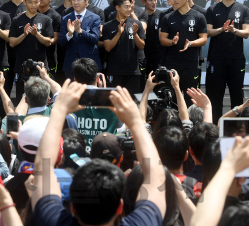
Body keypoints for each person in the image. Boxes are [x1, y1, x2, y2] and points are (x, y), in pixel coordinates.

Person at [31, 82, 166, 226]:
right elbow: (156, 174)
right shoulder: (141, 223)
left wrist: (58, 111)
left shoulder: (52, 220)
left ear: (72, 207)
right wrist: (135, 122)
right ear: (120, 207)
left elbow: (42, 167)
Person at [205, 0, 249, 124]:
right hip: (216, 60)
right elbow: (208, 32)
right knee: (214, 97)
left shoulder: (243, 9)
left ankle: (236, 128)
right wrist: (221, 29)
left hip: (236, 60)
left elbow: (246, 33)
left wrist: (233, 30)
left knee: (237, 97)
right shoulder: (212, 9)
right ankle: (214, 128)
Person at [159, 0, 208, 105]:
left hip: (191, 65)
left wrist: (191, 43)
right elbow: (162, 39)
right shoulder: (167, 17)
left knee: (190, 99)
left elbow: (203, 39)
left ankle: (190, 123)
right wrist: (172, 41)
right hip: (172, 64)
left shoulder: (199, 17)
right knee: (171, 99)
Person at [9, 0, 54, 104]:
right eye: (30, 2)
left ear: (39, 2)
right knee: (22, 101)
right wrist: (24, 35)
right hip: (21, 68)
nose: (33, 5)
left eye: (36, 2)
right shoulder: (16, 20)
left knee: (42, 101)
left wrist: (37, 34)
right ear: (24, 2)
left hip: (40, 67)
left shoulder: (46, 20)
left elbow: (48, 42)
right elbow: (12, 43)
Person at [103, 0, 146, 96]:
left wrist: (135, 35)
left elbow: (142, 46)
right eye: (126, 6)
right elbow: (107, 47)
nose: (129, 9)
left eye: (130, 6)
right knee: (114, 101)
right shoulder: (108, 26)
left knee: (132, 101)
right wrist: (118, 33)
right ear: (117, 7)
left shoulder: (136, 24)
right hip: (115, 71)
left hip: (133, 71)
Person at [59, 0, 102, 80]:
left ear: (86, 0)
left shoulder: (95, 18)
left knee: (90, 93)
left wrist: (80, 32)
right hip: (71, 65)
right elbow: (61, 43)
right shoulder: (66, 19)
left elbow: (95, 39)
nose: (76, 2)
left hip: (89, 64)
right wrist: (69, 34)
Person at [1, 0, 27, 99]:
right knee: (5, 89)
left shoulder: (29, 7)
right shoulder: (3, 9)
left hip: (24, 55)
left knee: (24, 92)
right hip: (7, 55)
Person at [38, 0, 62, 78]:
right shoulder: (32, 13)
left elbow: (55, 39)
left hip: (49, 59)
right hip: (33, 56)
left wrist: (45, 40)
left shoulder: (55, 16)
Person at [140, 0, 163, 76]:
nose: (154, 2)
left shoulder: (162, 15)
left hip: (158, 58)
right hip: (143, 57)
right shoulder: (139, 16)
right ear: (143, 2)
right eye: (150, 0)